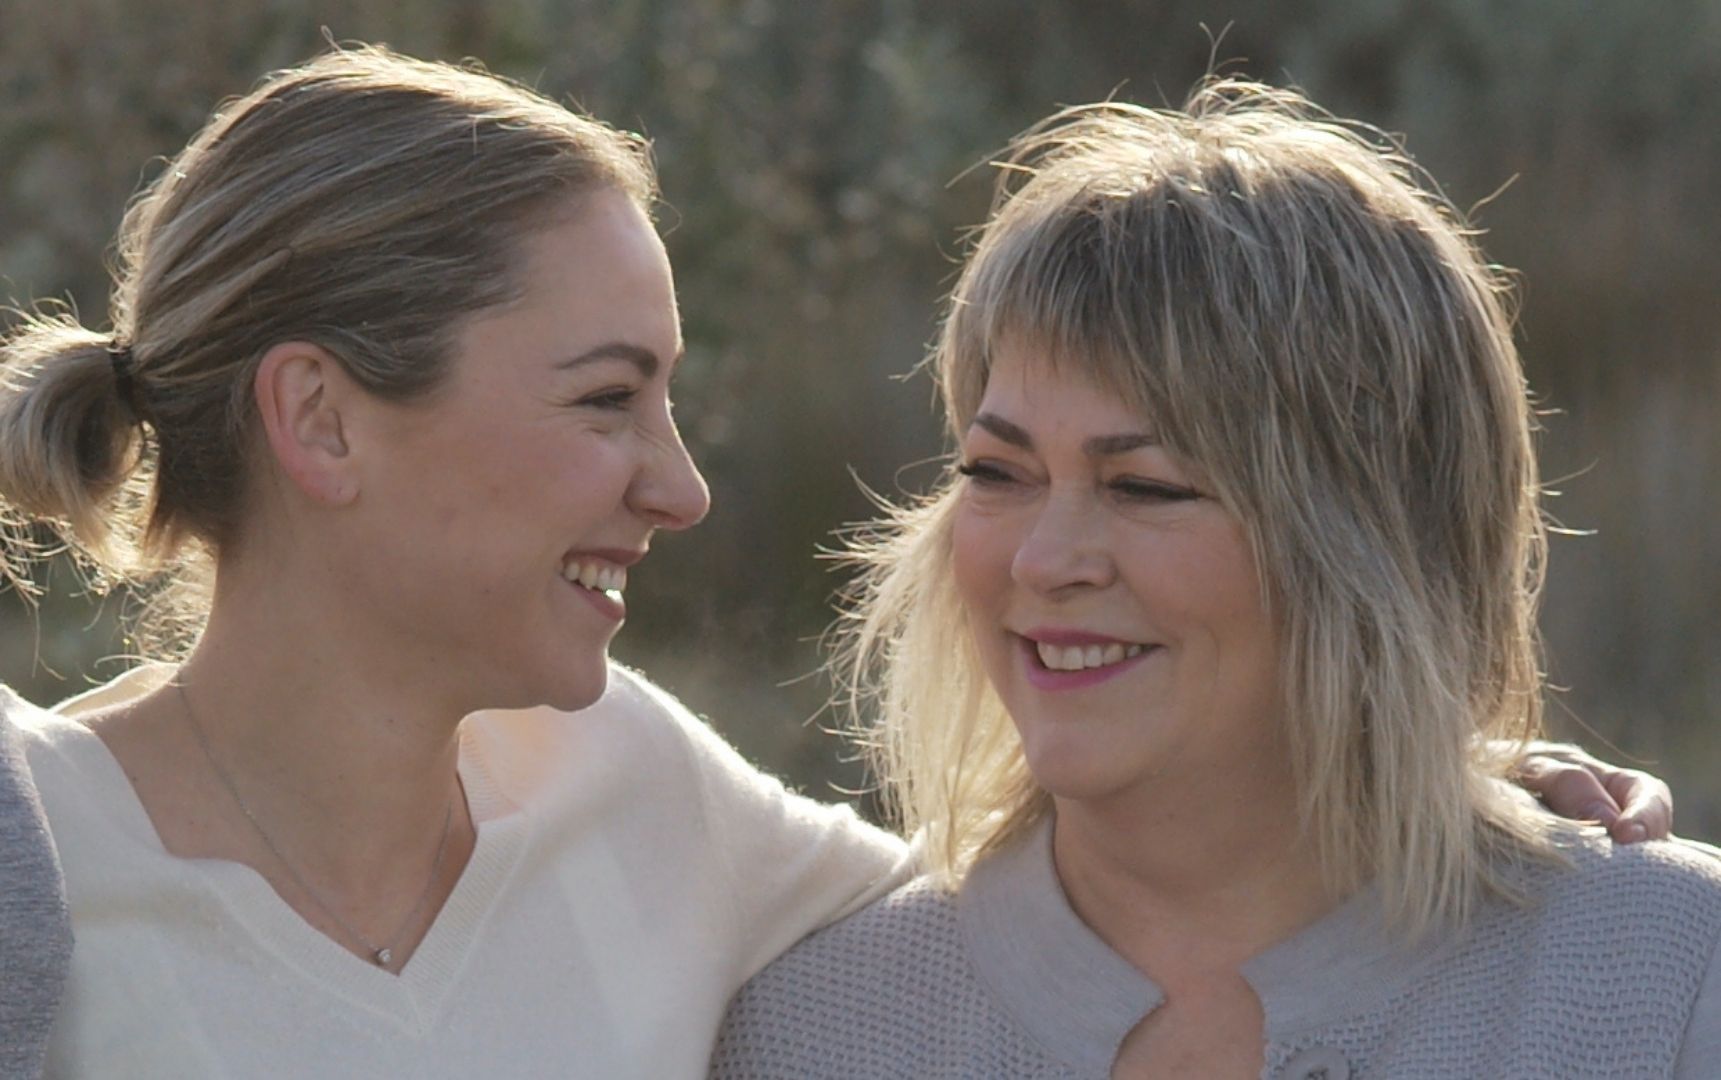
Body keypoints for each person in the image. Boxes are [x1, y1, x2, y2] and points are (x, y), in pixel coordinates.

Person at [0, 48, 1677, 1077]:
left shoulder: (643, 802)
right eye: (608, 401)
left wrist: (1442, 780)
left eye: (1148, 487)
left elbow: (1073, 913)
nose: (683, 488)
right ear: (324, 420)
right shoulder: (35, 851)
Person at [710, 81, 1721, 1078]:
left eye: (1144, 486)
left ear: (1378, 537)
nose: (1042, 560)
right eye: (996, 472)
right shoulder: (805, 1026)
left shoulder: (1668, 983)